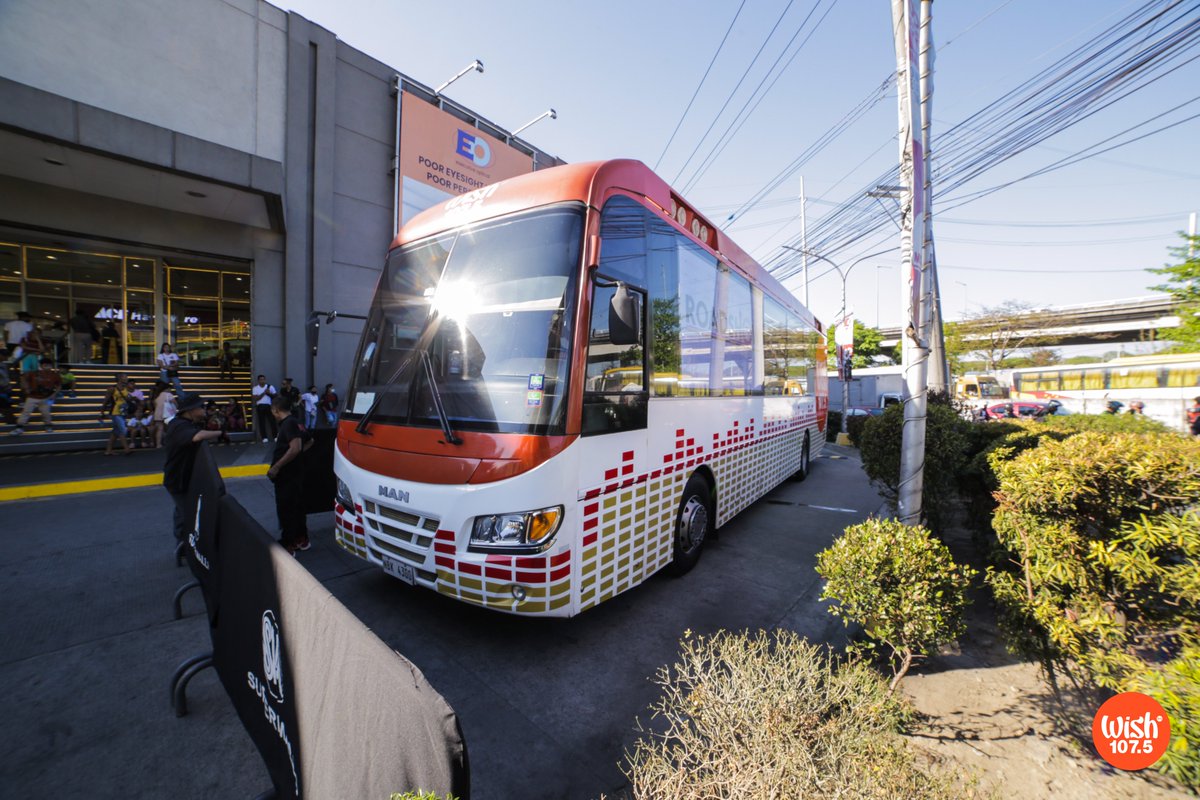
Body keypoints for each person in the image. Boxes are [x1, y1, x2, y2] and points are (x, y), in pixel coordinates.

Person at [162, 392, 224, 541]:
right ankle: (185, 543)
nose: (204, 410)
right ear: (190, 411)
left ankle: (181, 539)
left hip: (184, 477)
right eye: (200, 407)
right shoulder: (179, 426)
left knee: (181, 509)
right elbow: (197, 436)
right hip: (177, 478)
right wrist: (220, 433)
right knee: (186, 512)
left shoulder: (186, 423)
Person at [267, 397, 313, 553]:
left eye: (272, 411)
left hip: (287, 475)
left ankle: (288, 545)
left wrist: (277, 467)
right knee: (297, 507)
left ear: (276, 410)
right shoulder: (297, 422)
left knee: (287, 509)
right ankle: (302, 539)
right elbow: (309, 441)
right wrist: (297, 456)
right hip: (296, 473)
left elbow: (295, 448)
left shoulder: (288, 424)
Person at [9, 357, 61, 436]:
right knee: (26, 412)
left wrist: (54, 394)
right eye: (45, 365)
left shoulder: (55, 375)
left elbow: (58, 385)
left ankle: (48, 425)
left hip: (45, 397)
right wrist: (26, 388)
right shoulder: (34, 373)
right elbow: (23, 378)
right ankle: (19, 427)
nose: (47, 367)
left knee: (46, 413)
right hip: (32, 396)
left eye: (49, 365)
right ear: (41, 366)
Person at [100, 372, 136, 455]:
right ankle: (127, 449)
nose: (126, 378)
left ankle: (108, 450)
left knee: (115, 432)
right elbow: (105, 401)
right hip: (115, 412)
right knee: (123, 430)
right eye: (125, 377)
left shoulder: (125, 388)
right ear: (119, 378)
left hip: (123, 412)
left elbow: (126, 399)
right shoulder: (112, 389)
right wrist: (102, 412)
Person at [252, 374, 277, 442]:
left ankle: (275, 436)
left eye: (263, 379)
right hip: (260, 406)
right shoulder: (255, 388)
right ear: (258, 381)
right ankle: (264, 437)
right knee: (261, 422)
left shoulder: (270, 387)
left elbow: (275, 396)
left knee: (272, 421)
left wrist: (269, 393)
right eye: (261, 380)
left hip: (269, 406)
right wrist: (264, 393)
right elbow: (256, 398)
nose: (262, 381)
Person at [152, 381, 176, 449]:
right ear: (167, 388)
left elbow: (155, 405)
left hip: (158, 414)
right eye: (170, 389)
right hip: (167, 414)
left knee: (160, 429)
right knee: (171, 429)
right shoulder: (169, 395)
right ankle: (171, 442)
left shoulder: (157, 396)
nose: (170, 390)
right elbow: (175, 403)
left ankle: (158, 444)